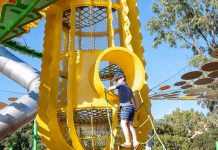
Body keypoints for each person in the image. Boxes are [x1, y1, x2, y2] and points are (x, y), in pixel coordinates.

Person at [107, 72, 140, 149]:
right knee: (129, 125)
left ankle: (128, 142)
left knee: (123, 123)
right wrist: (136, 107)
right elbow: (134, 98)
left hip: (125, 107)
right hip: (131, 107)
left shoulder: (120, 85)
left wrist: (106, 89)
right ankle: (135, 141)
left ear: (122, 78)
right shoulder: (129, 88)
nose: (116, 82)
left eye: (117, 80)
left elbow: (112, 88)